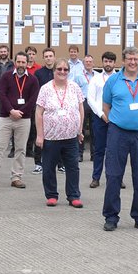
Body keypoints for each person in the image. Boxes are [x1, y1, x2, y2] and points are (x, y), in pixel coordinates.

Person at [101, 47, 138, 232]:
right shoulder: (113, 80)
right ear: (123, 61)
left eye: (135, 59)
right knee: (114, 175)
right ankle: (111, 216)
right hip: (118, 133)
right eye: (129, 59)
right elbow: (106, 106)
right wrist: (119, 121)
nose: (132, 62)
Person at [35, 59, 86, 208]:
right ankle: (51, 195)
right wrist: (40, 135)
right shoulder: (45, 89)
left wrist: (80, 130)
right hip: (51, 137)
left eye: (65, 69)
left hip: (71, 137)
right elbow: (38, 113)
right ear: (54, 71)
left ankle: (74, 196)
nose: (62, 72)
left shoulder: (75, 87)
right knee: (49, 167)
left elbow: (80, 109)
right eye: (59, 69)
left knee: (73, 167)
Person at [0, 51, 39, 189]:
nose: (21, 64)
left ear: (27, 63)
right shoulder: (6, 76)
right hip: (6, 117)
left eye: (23, 62)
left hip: (23, 119)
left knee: (20, 149)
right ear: (15, 62)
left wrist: (21, 112)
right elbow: (1, 94)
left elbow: (33, 99)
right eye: (18, 62)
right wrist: (11, 110)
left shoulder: (33, 80)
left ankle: (16, 178)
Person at [85, 52, 117, 188]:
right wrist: (101, 114)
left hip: (116, 119)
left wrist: (113, 115)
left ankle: (116, 178)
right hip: (100, 118)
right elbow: (91, 99)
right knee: (99, 149)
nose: (108, 64)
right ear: (102, 62)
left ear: (114, 63)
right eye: (106, 61)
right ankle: (96, 178)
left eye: (110, 61)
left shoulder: (119, 78)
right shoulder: (96, 79)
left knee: (115, 150)